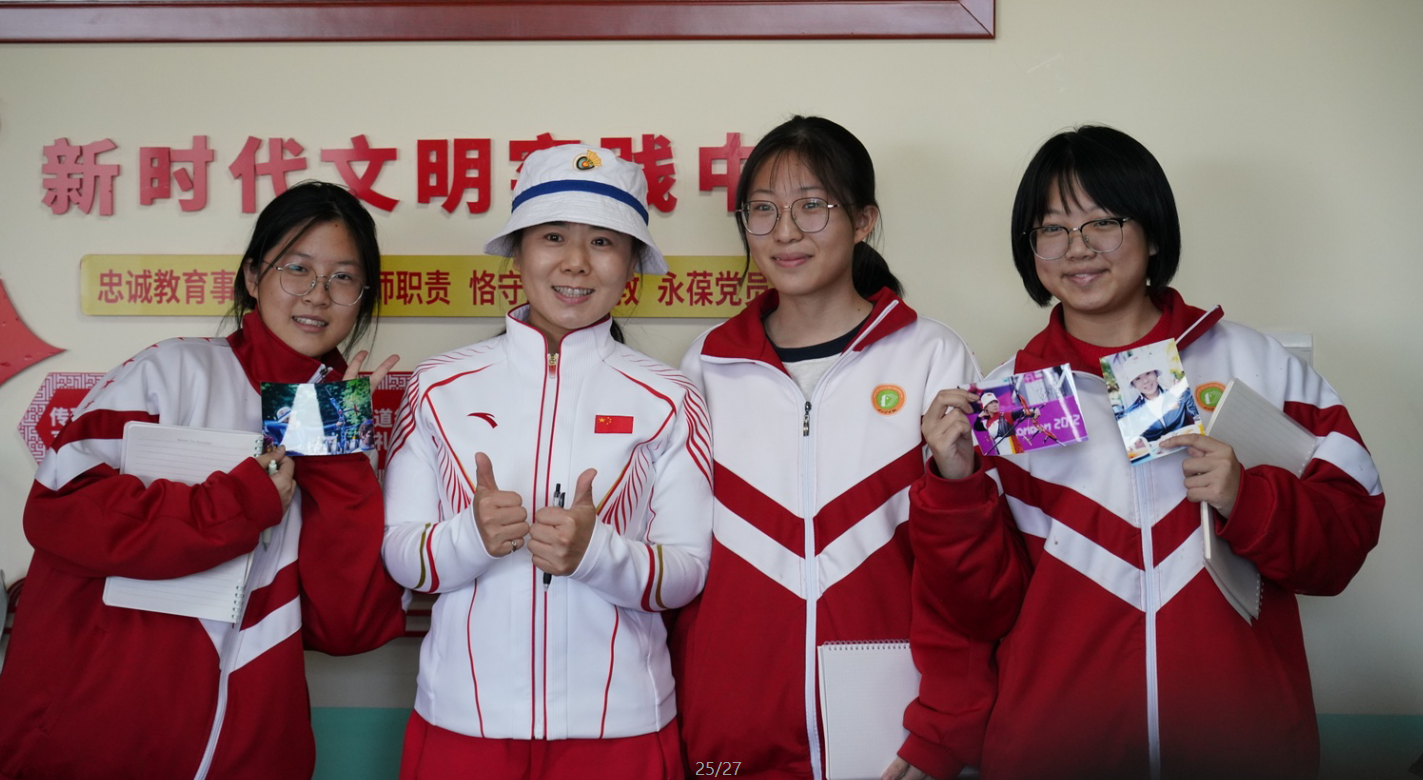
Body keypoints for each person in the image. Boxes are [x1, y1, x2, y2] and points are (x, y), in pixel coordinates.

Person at [913, 125, 1384, 779]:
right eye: (1051, 229)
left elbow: (1344, 542)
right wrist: (955, 484)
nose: (1077, 248)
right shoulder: (1008, 399)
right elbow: (979, 610)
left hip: (1243, 749)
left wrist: (1246, 498)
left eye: (1102, 222)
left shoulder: (1256, 366)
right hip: (1058, 754)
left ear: (1154, 232)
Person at [0, 181, 407, 780]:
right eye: (297, 268)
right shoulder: (173, 370)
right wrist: (239, 501)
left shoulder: (337, 420)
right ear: (253, 276)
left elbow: (349, 627)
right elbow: (60, 511)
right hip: (97, 741)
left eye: (343, 278)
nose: (318, 295)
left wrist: (335, 447)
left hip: (251, 755)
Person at [381, 145, 713, 780]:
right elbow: (404, 557)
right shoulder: (438, 387)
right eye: (553, 236)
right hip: (463, 727)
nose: (576, 262)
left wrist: (595, 554)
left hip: (621, 733)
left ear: (632, 264)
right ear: (518, 253)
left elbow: (687, 573)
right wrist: (470, 537)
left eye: (604, 242)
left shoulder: (670, 398)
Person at [672, 116, 988, 780]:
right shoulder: (706, 365)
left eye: (812, 205)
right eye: (763, 210)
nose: (785, 232)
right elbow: (681, 560)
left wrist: (942, 729)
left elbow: (963, 571)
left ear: (863, 219)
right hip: (732, 732)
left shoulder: (931, 356)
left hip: (889, 734)